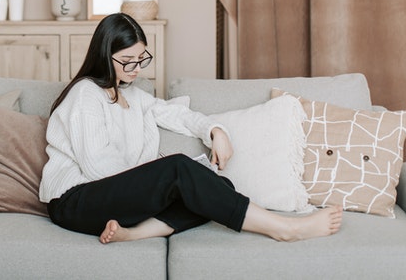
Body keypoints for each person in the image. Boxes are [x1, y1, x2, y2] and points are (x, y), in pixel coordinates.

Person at [38, 13, 342, 244]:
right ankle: (285, 228)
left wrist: (215, 131)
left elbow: (179, 115)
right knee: (178, 171)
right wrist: (150, 180)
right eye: (127, 61)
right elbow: (97, 167)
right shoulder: (86, 94)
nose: (136, 69)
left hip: (110, 196)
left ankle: (131, 234)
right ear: (105, 56)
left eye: (141, 59)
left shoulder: (134, 96)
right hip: (74, 201)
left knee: (218, 187)